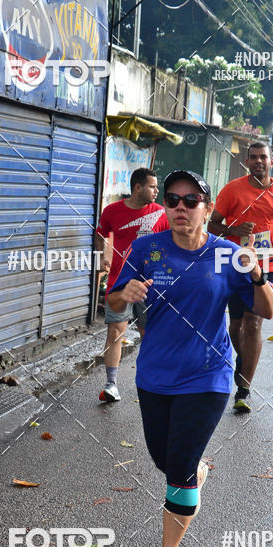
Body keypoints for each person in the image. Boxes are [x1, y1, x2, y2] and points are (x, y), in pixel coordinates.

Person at [107, 170, 273, 547]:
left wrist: (256, 273)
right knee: (166, 461)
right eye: (173, 199)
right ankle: (193, 474)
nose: (180, 207)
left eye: (191, 200)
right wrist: (124, 293)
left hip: (208, 375)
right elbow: (110, 299)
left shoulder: (225, 254)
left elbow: (267, 310)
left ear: (206, 208)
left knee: (178, 468)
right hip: (155, 375)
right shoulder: (145, 248)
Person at [208, 141, 273, 412]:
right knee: (236, 326)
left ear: (272, 162)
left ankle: (244, 388)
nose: (259, 161)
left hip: (268, 264)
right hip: (236, 262)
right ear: (247, 162)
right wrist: (234, 227)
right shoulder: (233, 190)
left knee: (254, 323)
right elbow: (212, 224)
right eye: (254, 157)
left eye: (264, 157)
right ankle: (242, 359)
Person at [95, 167, 168, 402]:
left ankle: (151, 381)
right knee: (115, 331)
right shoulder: (112, 211)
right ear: (138, 187)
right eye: (152, 186)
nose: (157, 190)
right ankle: (111, 385)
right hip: (119, 282)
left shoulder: (161, 213)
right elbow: (100, 234)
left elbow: (172, 243)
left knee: (150, 333)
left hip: (151, 285)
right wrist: (100, 260)